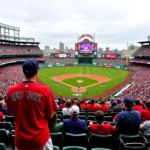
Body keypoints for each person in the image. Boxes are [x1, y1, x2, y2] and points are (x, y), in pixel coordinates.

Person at [6, 60, 57, 150]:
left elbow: (12, 112)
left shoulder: (11, 90)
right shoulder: (45, 90)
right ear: (36, 73)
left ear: (23, 72)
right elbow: (50, 116)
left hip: (20, 140)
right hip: (41, 139)